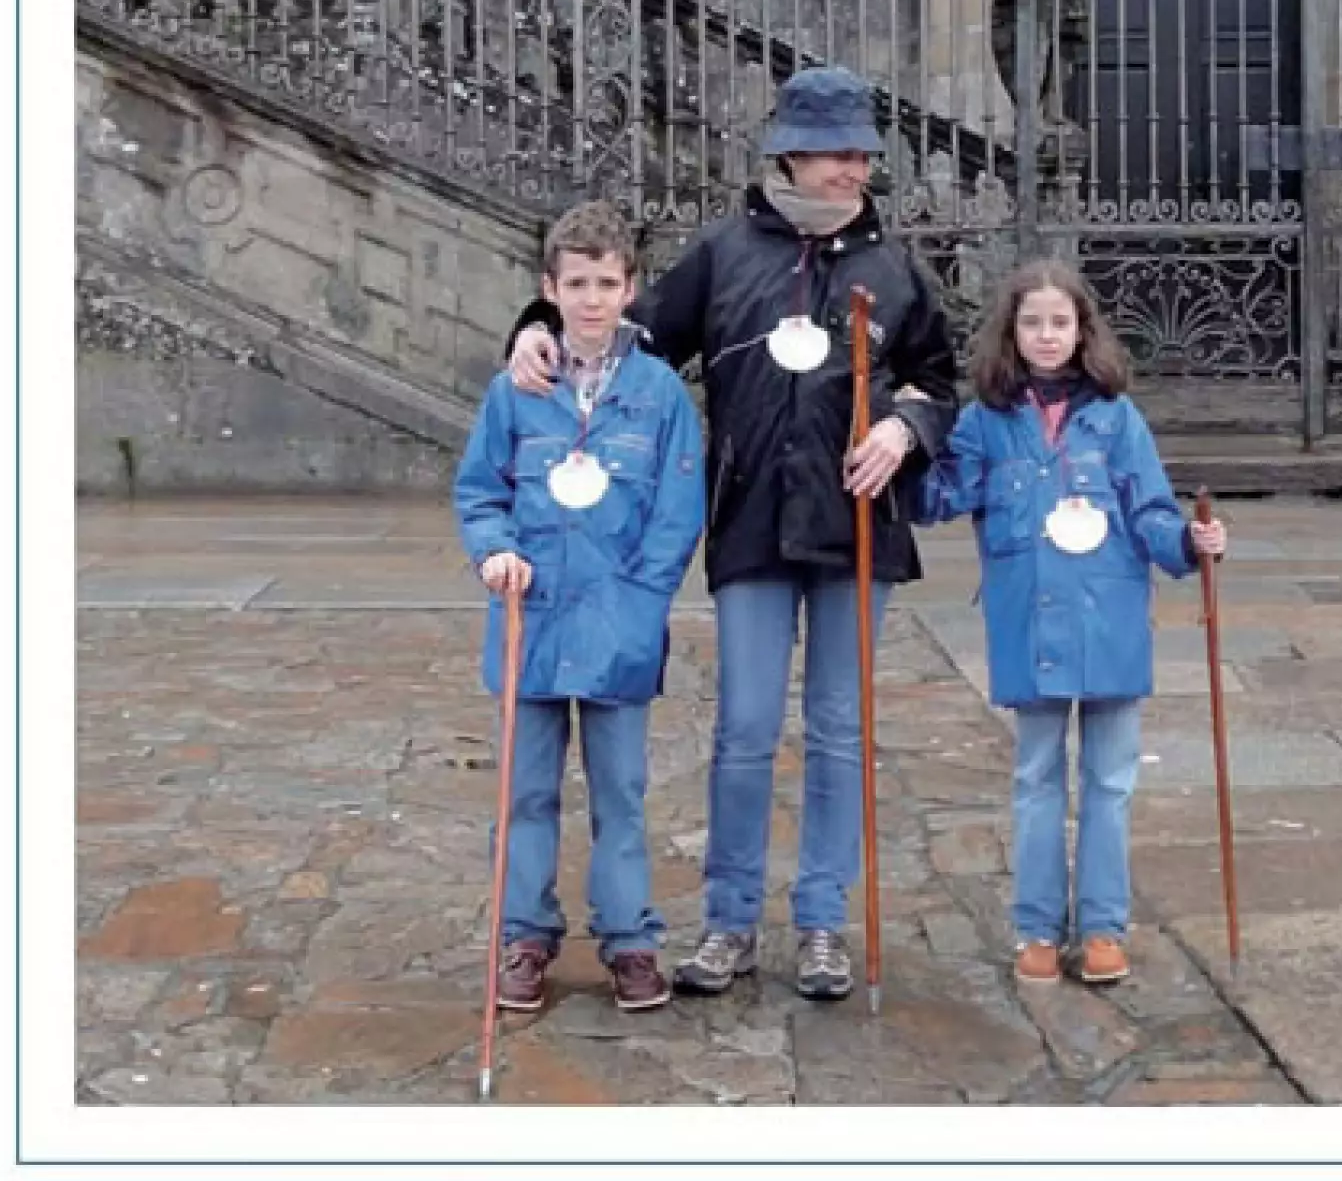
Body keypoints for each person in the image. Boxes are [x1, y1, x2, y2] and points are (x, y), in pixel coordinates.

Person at [506, 66, 958, 1001]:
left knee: (838, 732)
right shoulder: (724, 253)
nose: (858, 166)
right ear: (790, 151)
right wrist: (533, 328)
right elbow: (626, 337)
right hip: (752, 523)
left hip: (860, 529)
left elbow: (941, 381)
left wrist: (905, 429)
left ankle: (825, 920)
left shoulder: (896, 266)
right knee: (746, 730)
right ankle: (729, 921)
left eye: (864, 150)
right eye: (840, 150)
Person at [912, 259, 1226, 988]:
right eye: (1032, 323)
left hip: (1109, 613)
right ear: (1010, 332)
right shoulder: (985, 421)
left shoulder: (1117, 418)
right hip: (1030, 619)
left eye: (1060, 323)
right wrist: (894, 447)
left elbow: (1148, 508)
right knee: (1037, 778)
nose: (1047, 336)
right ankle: (1036, 927)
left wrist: (1187, 542)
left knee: (1110, 781)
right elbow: (943, 494)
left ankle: (1105, 925)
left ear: (1083, 331)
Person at [455, 199, 704, 1018]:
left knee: (621, 795)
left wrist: (641, 603)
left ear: (630, 289)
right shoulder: (515, 390)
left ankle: (629, 938)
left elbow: (676, 513)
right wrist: (492, 547)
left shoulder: (661, 395)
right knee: (525, 793)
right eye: (577, 283)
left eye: (606, 282)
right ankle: (523, 935)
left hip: (618, 627)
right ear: (549, 289)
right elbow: (479, 488)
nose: (592, 299)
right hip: (530, 619)